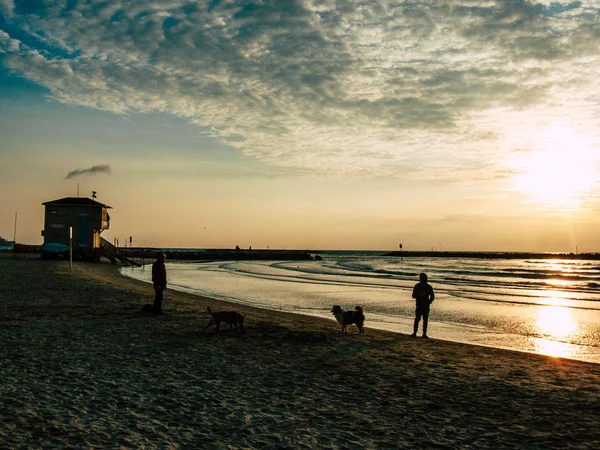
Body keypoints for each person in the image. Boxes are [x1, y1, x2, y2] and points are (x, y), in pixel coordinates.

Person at [411, 272, 435, 338]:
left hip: (425, 305)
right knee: (418, 319)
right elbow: (413, 296)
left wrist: (429, 302)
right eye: (422, 278)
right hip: (419, 305)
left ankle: (423, 333)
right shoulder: (418, 286)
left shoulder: (428, 287)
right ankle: (415, 332)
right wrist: (420, 295)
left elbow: (432, 296)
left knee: (424, 320)